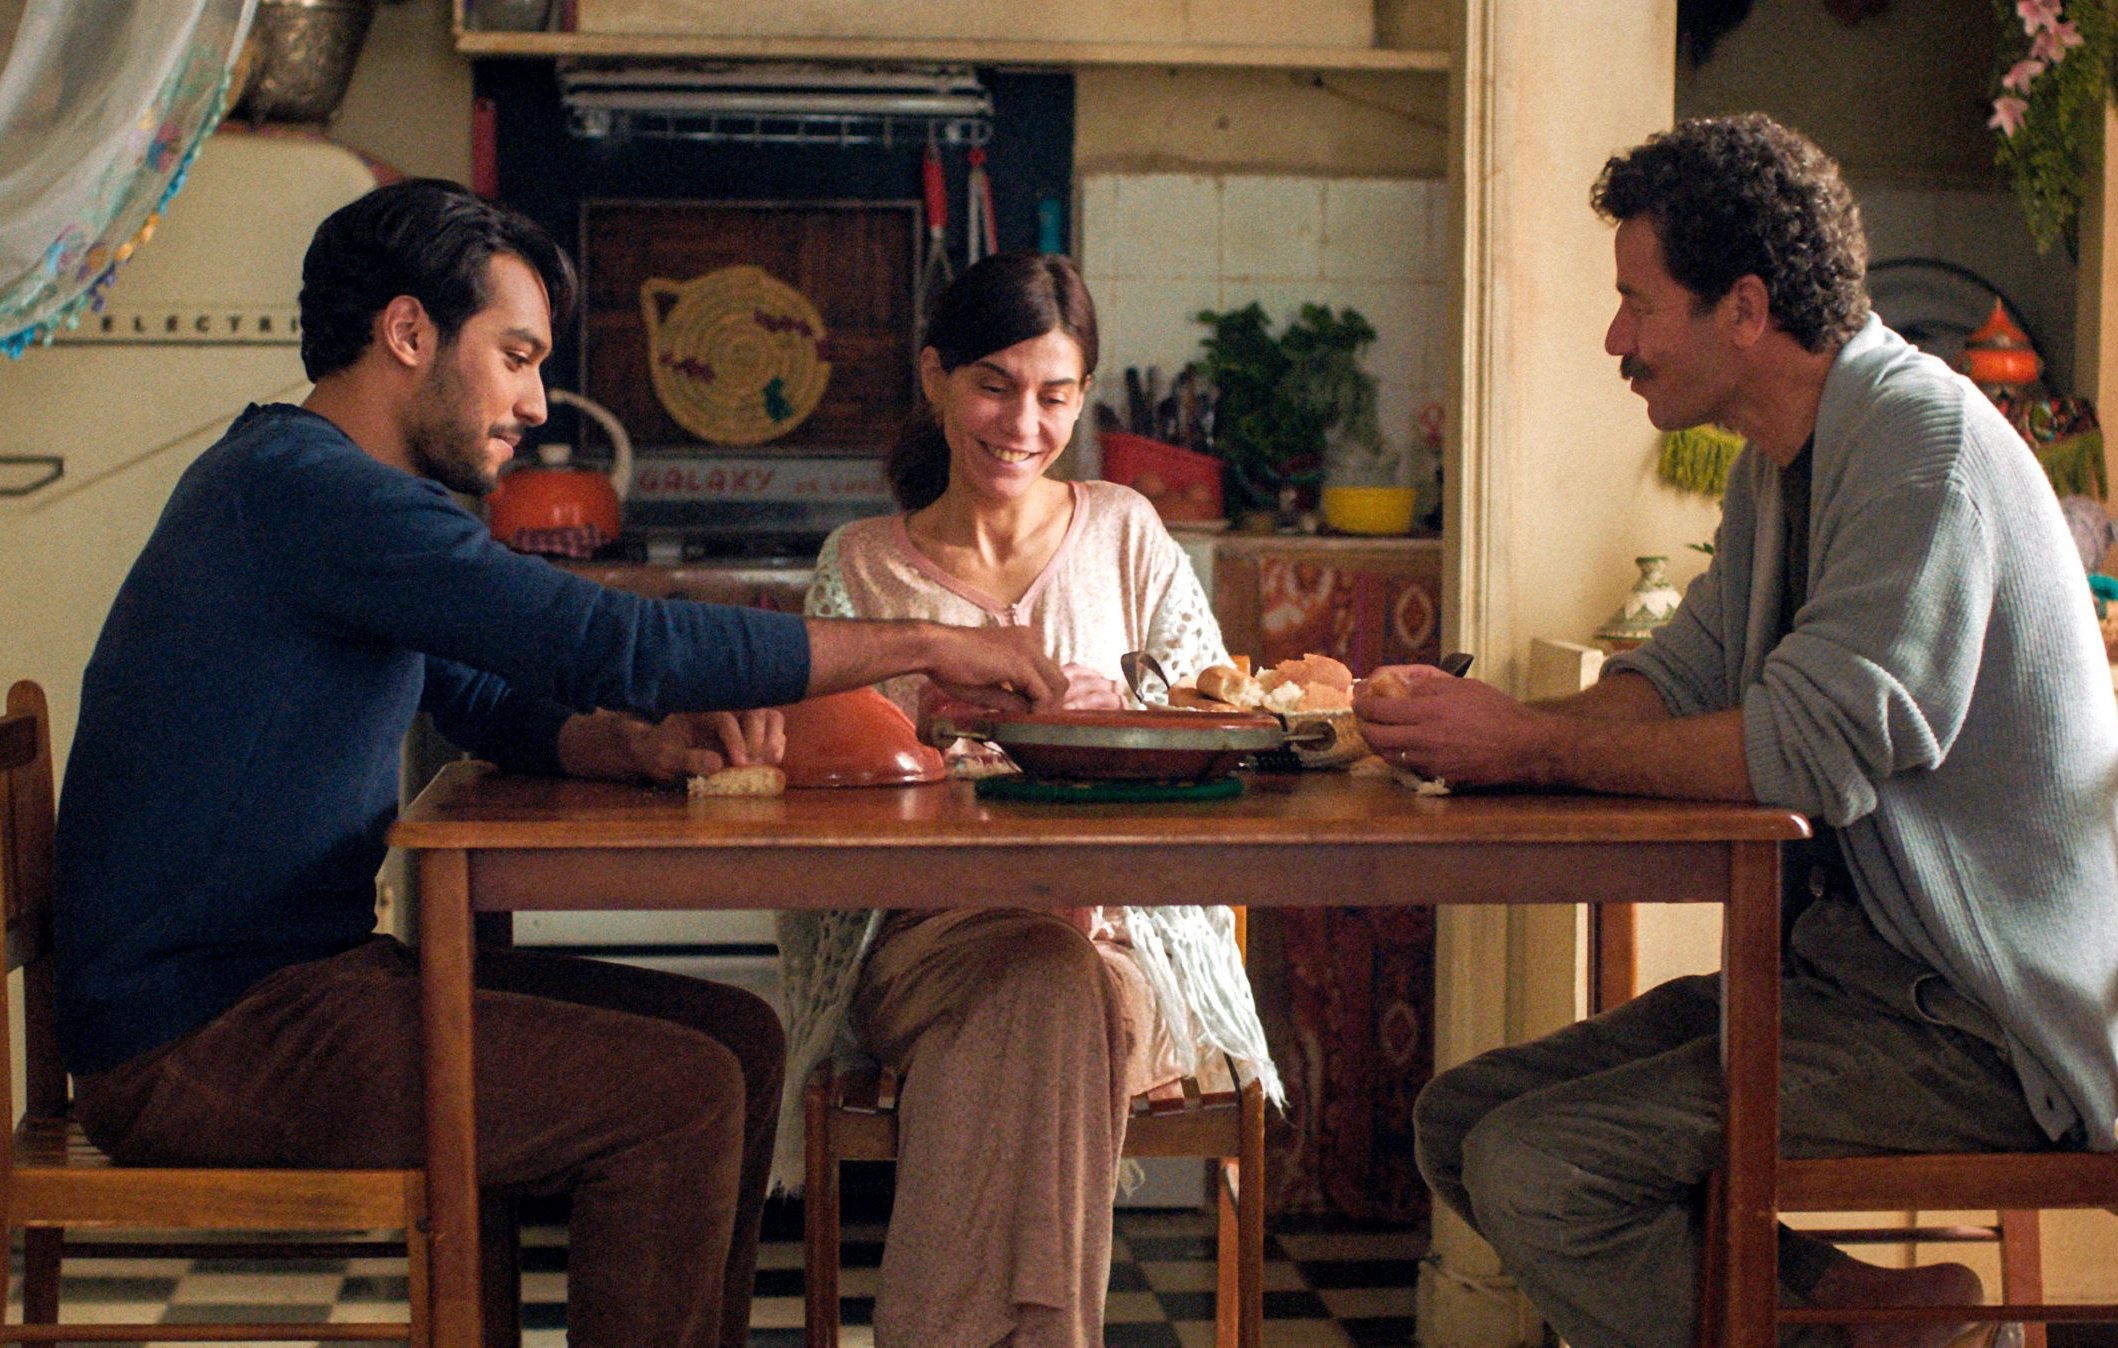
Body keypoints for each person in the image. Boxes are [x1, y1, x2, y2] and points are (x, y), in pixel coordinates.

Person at [52, 179, 1069, 1348]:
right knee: (677, 1099)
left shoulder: (327, 491)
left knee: (742, 1043)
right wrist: (932, 637)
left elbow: (477, 691)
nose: (536, 401)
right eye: (518, 355)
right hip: (207, 1039)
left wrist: (625, 743)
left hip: (292, 990)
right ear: (407, 332)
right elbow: (618, 640)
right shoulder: (314, 493)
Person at [1356, 114, 2118, 1348]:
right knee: (1463, 1124)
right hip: (1862, 985)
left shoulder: (1921, 444)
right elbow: (1680, 678)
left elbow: (1811, 749)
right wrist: (1487, 729)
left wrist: (1529, 746)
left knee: (1542, 1169)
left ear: (1747, 308)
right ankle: (1867, 1314)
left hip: (1988, 1027)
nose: (1617, 339)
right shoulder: (1783, 463)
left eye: (1636, 303)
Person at [778, 251, 1282, 1347]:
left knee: (1060, 982)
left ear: (1084, 395)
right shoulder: (861, 566)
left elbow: (1222, 719)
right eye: (994, 385)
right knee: (1053, 991)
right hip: (921, 944)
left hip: (1119, 937)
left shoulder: (1125, 533)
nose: (1024, 421)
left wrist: (1122, 720)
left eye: (1056, 394)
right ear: (935, 378)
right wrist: (929, 730)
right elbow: (811, 779)